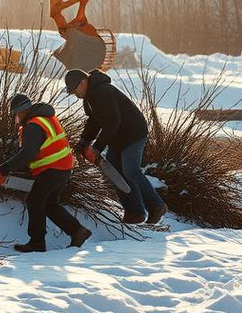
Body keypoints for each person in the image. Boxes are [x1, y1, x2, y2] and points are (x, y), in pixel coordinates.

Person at [0, 93, 92, 252]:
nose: (16, 118)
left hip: (53, 169)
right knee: (49, 204)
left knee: (34, 200)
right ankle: (78, 231)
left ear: (23, 110)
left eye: (17, 114)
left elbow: (28, 153)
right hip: (63, 168)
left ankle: (37, 243)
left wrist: (2, 170)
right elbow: (38, 152)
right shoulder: (44, 118)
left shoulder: (33, 125)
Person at [65, 68, 166, 226]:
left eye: (75, 90)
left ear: (83, 82)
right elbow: (93, 122)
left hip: (133, 133)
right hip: (117, 138)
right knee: (115, 173)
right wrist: (83, 142)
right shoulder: (89, 99)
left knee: (130, 170)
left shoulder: (104, 92)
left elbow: (113, 121)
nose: (75, 95)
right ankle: (135, 212)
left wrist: (97, 147)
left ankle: (156, 206)